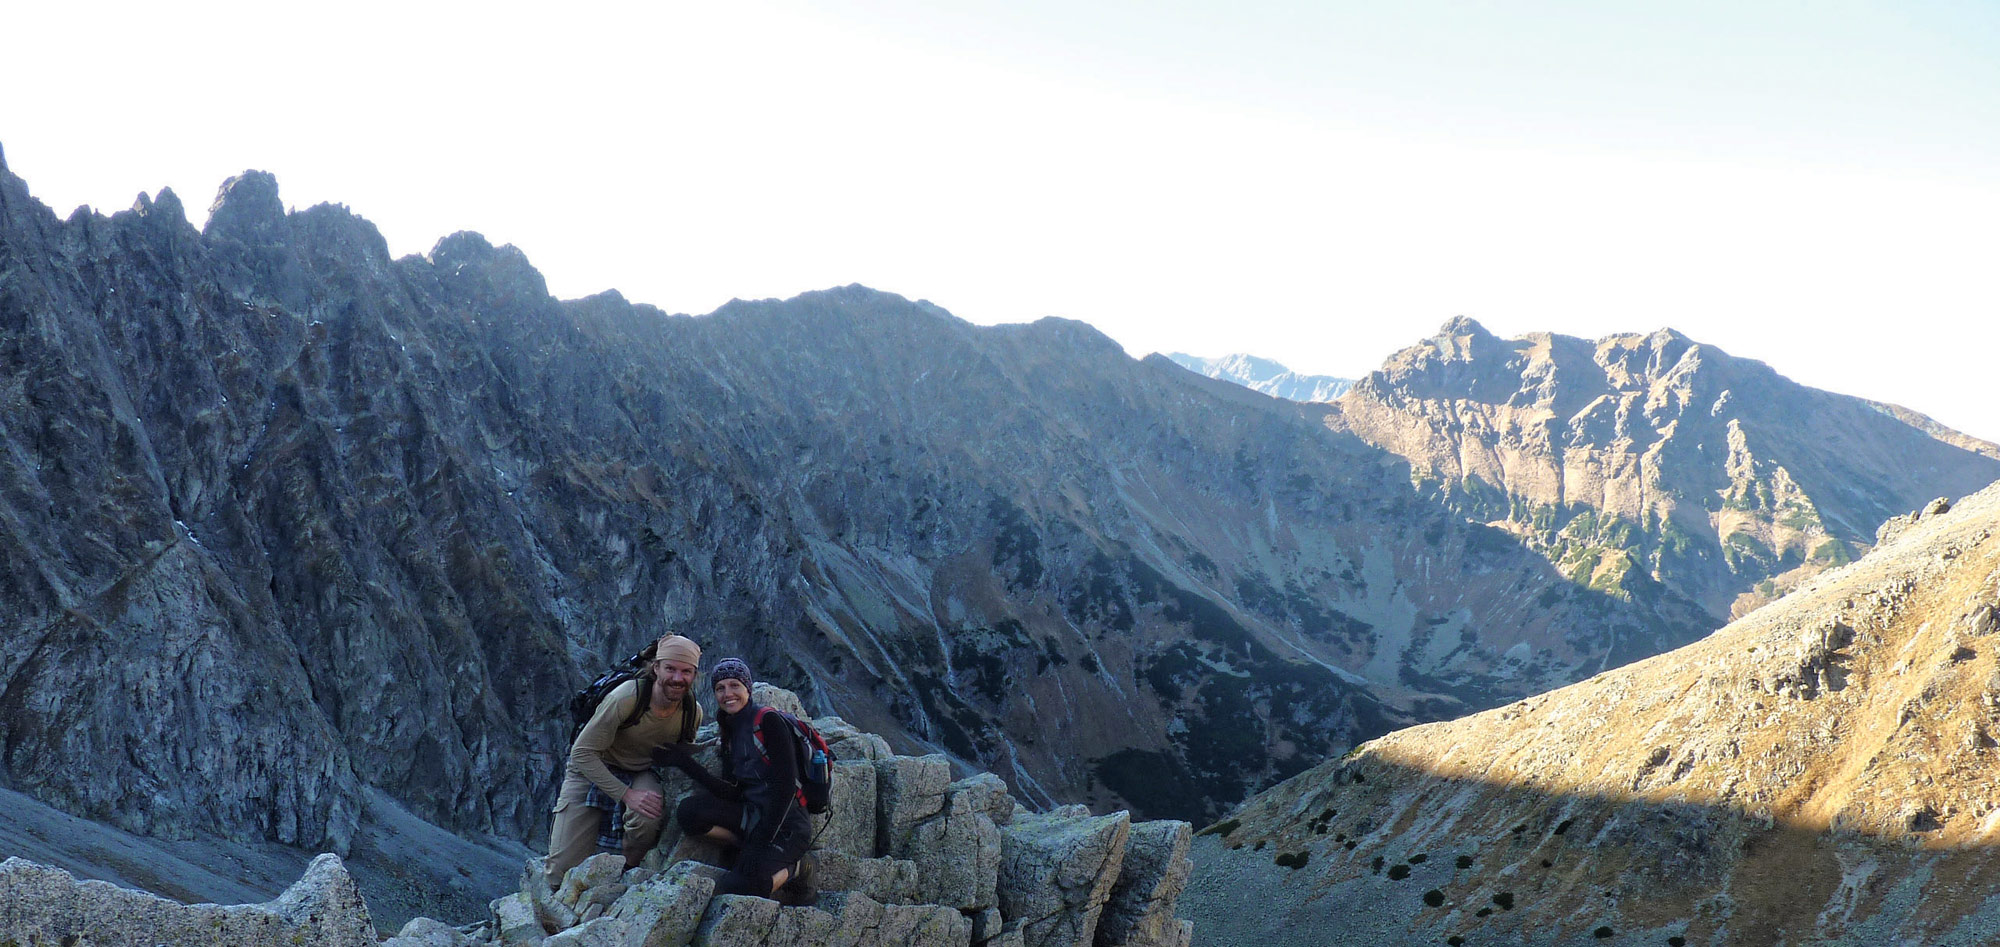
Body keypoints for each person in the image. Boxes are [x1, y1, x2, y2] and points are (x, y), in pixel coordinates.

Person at [544, 634, 704, 888]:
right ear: (656, 668)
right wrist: (626, 795)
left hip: (640, 769)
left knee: (647, 819)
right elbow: (582, 753)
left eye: (686, 671)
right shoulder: (626, 698)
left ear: (694, 675)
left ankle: (625, 874)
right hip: (593, 766)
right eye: (670, 669)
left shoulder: (691, 712)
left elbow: (680, 754)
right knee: (561, 868)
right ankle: (555, 908)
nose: (677, 678)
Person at [654, 657, 813, 900]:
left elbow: (786, 788)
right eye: (720, 688)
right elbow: (735, 792)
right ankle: (743, 845)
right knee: (689, 813)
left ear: (747, 688)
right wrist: (685, 763)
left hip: (787, 825)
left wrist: (759, 842)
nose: (728, 693)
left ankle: (799, 868)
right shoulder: (730, 729)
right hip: (752, 814)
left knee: (737, 886)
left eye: (734, 685)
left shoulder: (769, 722)